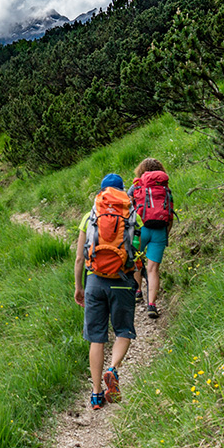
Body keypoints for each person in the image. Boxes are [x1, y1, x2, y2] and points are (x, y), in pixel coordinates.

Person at [74, 173, 138, 410]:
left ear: (100, 192)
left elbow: (80, 257)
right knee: (123, 330)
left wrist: (79, 287)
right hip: (122, 280)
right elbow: (138, 248)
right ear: (123, 191)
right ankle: (113, 369)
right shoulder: (132, 215)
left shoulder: (89, 216)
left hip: (95, 281)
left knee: (96, 337)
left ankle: (96, 394)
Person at [130, 158, 174, 320]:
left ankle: (138, 291)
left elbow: (128, 209)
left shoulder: (137, 186)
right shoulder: (165, 188)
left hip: (141, 230)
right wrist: (165, 234)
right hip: (160, 231)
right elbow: (170, 215)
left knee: (136, 261)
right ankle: (152, 305)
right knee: (153, 269)